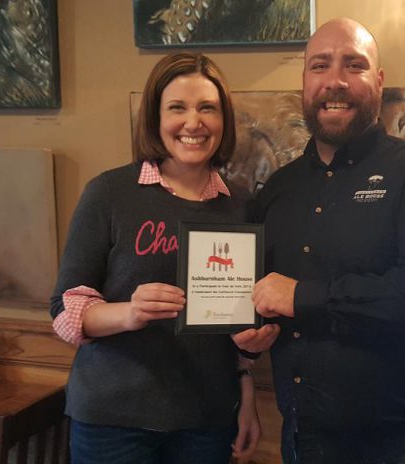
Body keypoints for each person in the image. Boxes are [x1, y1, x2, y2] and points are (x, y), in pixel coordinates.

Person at [251, 18, 405, 464]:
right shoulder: (276, 190)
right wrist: (246, 336)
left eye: (354, 65)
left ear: (379, 80)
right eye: (320, 66)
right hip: (306, 440)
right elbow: (256, 294)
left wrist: (304, 297)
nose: (335, 81)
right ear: (304, 81)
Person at [50, 52, 278, 464]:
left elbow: (239, 321)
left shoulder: (241, 205)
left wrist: (248, 365)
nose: (194, 122)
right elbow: (65, 312)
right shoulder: (108, 193)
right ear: (155, 117)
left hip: (206, 420)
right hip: (112, 423)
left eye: (207, 108)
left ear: (223, 119)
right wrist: (129, 313)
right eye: (177, 107)